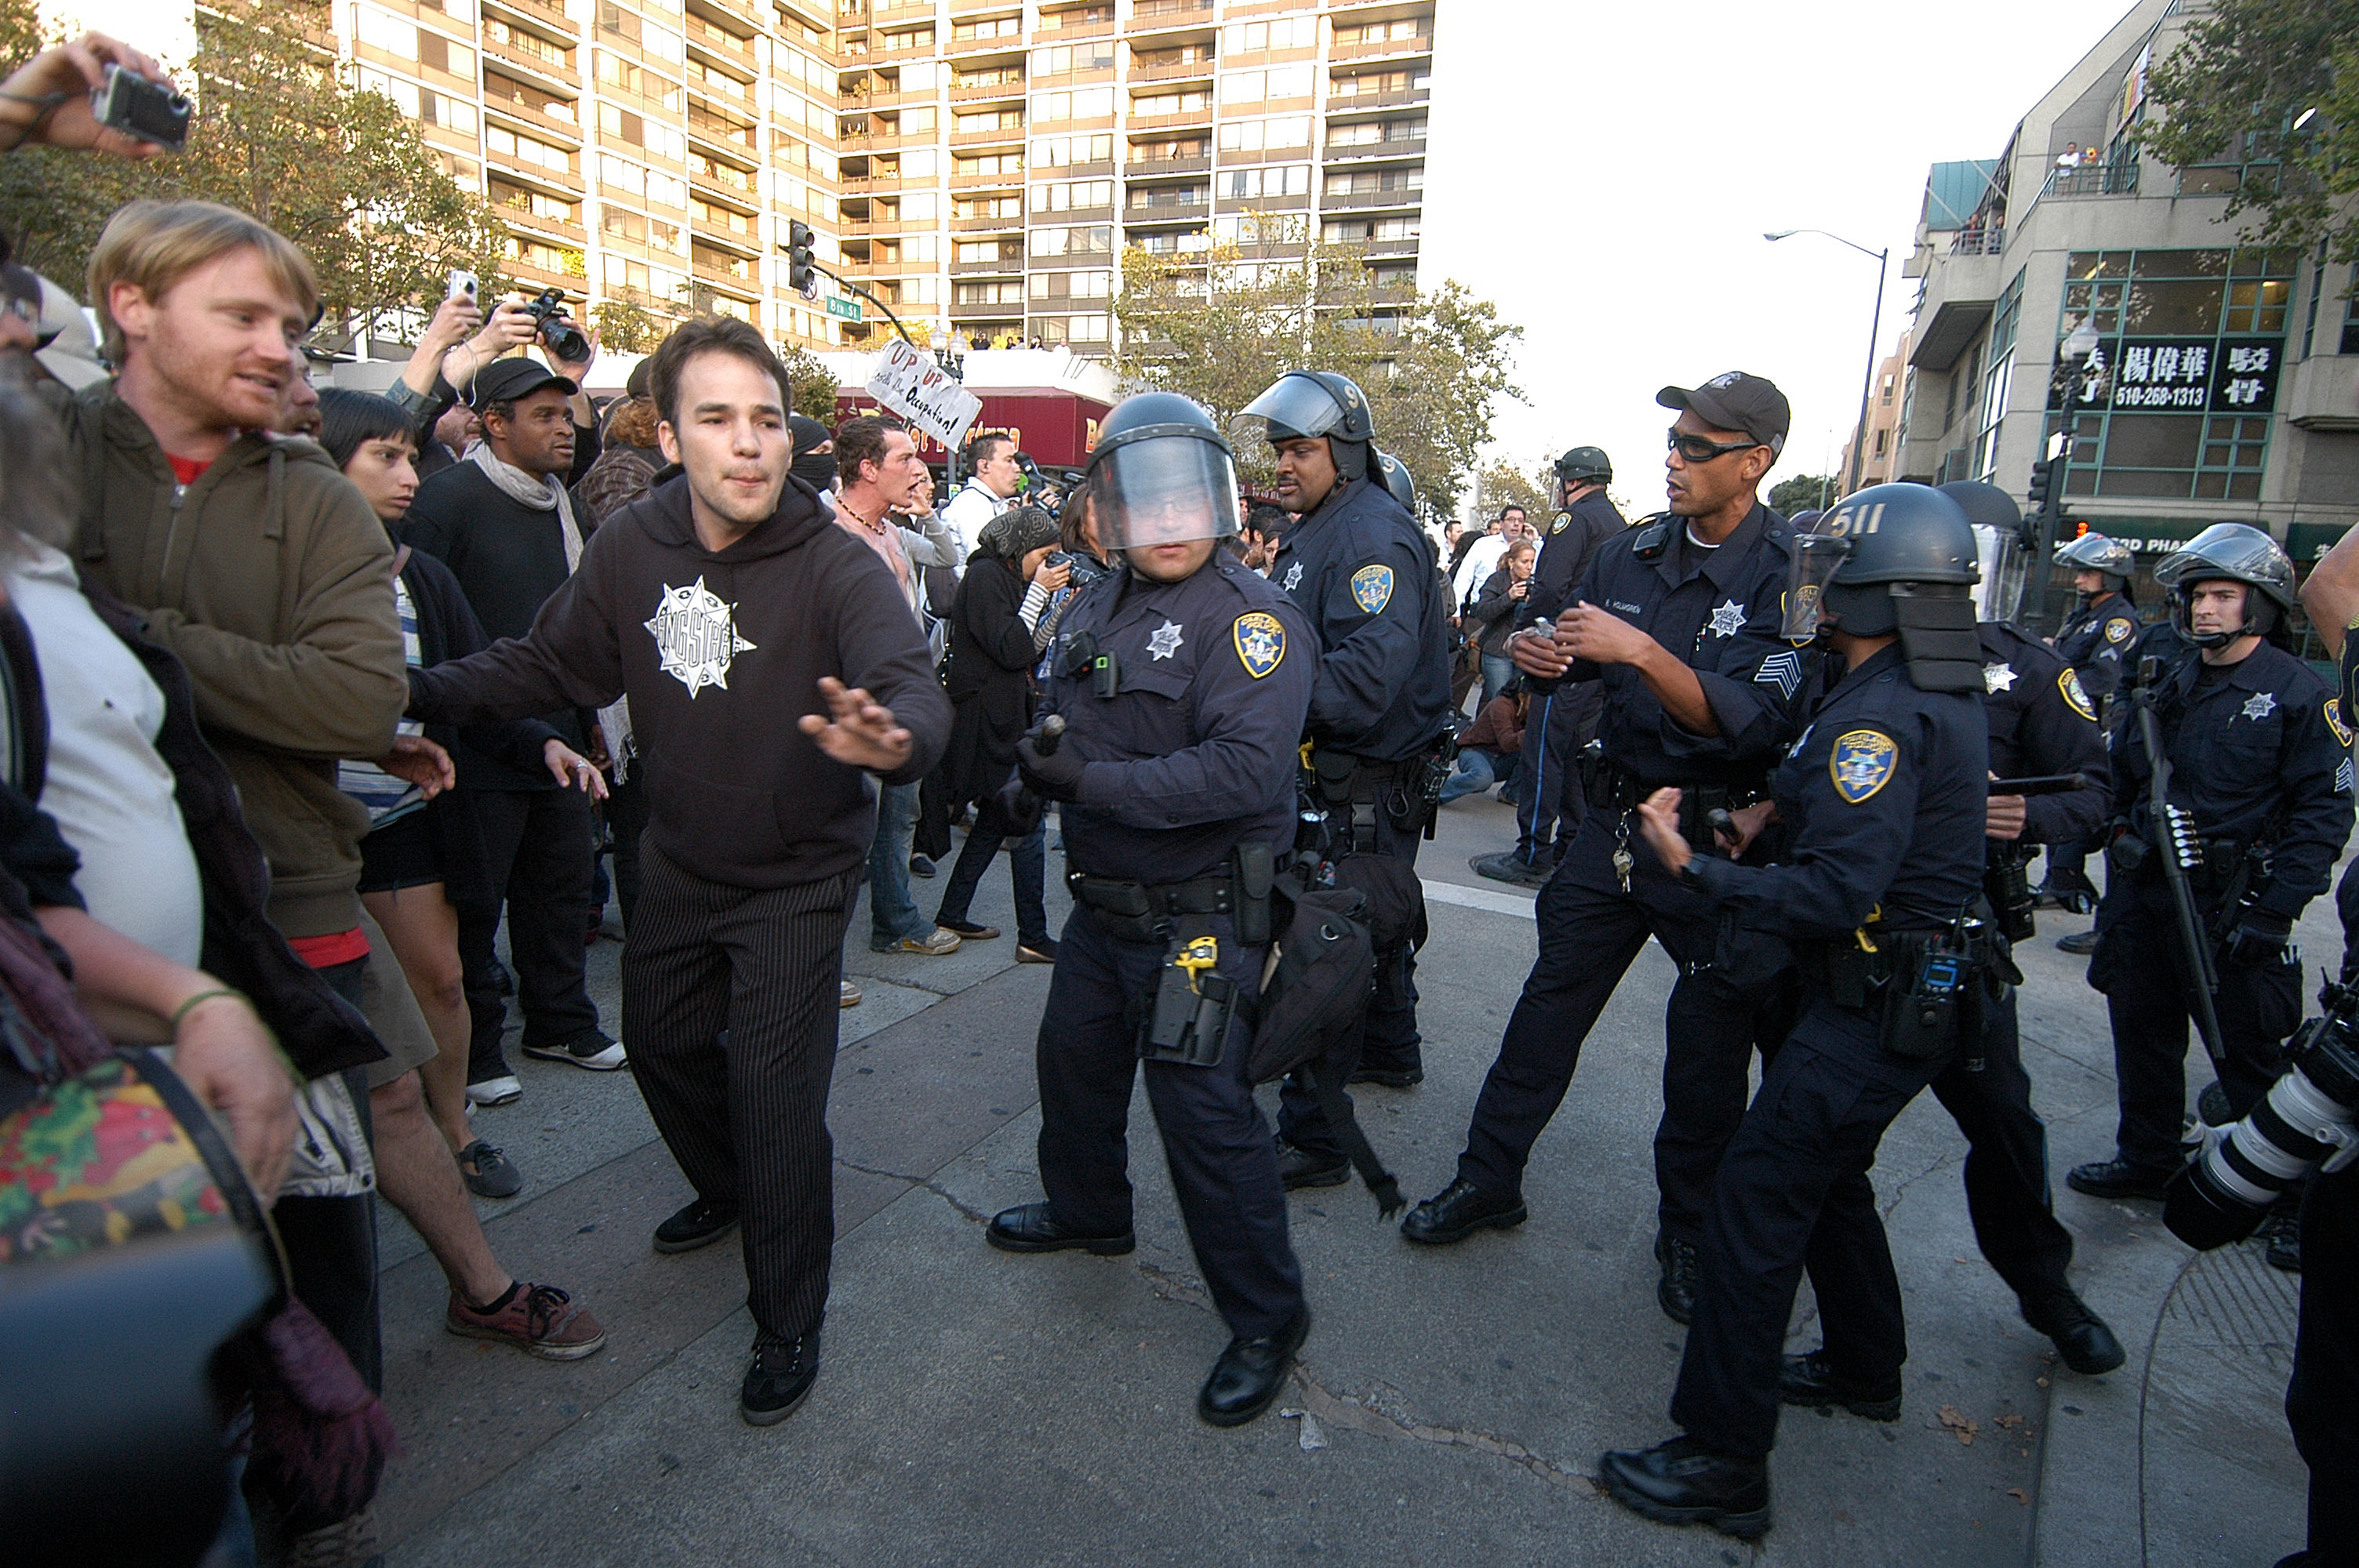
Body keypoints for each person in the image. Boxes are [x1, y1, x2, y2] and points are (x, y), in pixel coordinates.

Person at [405, 315, 952, 1425]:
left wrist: (896, 738)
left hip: (800, 877)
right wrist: (415, 695)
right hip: (680, 862)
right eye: (716, 419)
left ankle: (789, 1314)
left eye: (763, 419)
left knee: (775, 1095)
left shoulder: (832, 561)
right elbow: (552, 660)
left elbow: (911, 686)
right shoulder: (631, 543)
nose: (746, 444)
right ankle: (731, 1188)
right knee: (658, 1045)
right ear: (671, 432)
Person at [1597, 483, 1993, 1541]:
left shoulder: (1882, 715)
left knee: (1757, 1197)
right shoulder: (1899, 689)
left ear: (1884, 588)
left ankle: (1726, 1463)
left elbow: (1835, 893)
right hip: (1896, 991)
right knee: (1830, 1184)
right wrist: (1775, 807)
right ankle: (1867, 1367)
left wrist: (1691, 867)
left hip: (1878, 998)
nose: (1814, 592)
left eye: (1835, 573)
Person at [1401, 376, 1810, 1332]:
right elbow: (1580, 645)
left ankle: (1688, 1230)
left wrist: (1637, 653)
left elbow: (1753, 718)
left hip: (1710, 837)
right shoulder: (1631, 549)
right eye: (1672, 440)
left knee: (1705, 1053)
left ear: (1754, 461)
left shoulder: (1791, 573)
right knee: (1547, 1011)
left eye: (1699, 446)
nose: (1673, 458)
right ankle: (1487, 1176)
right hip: (1612, 825)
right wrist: (1550, 659)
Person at [984, 390, 1318, 1428]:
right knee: (1073, 1068)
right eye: (1147, 500)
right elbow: (1060, 719)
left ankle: (1268, 1315)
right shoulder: (1095, 602)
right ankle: (1092, 1213)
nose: (1170, 521)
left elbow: (1241, 775)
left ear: (1216, 503)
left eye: (1188, 500)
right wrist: (1025, 777)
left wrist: (1085, 785)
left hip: (1204, 917)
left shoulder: (1252, 621)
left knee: (1202, 1115)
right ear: (1109, 508)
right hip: (1104, 911)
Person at [319, 387, 610, 1198]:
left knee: (439, 980)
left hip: (404, 820)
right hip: (301, 833)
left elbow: (471, 684)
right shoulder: (270, 578)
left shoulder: (423, 578)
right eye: (384, 457)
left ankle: (455, 1131)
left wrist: (544, 737)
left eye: (410, 455)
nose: (408, 474)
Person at [2067, 524, 2350, 1264]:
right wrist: (2121, 834)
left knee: (2252, 1057)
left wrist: (2275, 910)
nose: (2205, 610)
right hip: (2148, 896)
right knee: (2143, 1030)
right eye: (2197, 596)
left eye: (2224, 596)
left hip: (2234, 907)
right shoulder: (2166, 679)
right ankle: (2149, 1157)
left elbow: (2322, 814)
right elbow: (2124, 776)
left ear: (2261, 605)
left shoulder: (2300, 695)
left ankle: (2290, 1196)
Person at [1234, 368, 1451, 1143]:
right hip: (1335, 779)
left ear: (1345, 449)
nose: (1283, 464)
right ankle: (1391, 1051)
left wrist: (1252, 692)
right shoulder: (1321, 524)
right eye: (1278, 450)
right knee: (1364, 923)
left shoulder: (1369, 534)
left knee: (1324, 955)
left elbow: (1360, 682)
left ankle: (1314, 1139)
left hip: (1357, 780)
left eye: (1300, 448)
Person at [403, 351, 624, 1102]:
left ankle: (559, 1021)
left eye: (567, 415)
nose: (563, 430)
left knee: (560, 889)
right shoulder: (446, 502)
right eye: (543, 416)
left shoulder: (562, 502)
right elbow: (433, 624)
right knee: (476, 904)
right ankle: (477, 1053)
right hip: (476, 739)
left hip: (559, 733)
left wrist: (592, 719)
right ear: (493, 424)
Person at [834, 414, 965, 960]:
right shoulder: (826, 528)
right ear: (867, 468)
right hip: (853, 702)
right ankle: (817, 957)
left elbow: (947, 557)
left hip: (903, 697)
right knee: (844, 832)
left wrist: (928, 515)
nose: (918, 468)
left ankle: (895, 922)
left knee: (898, 818)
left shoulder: (894, 532)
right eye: (905, 459)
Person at [1474, 446, 1625, 886]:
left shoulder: (1574, 521)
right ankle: (1570, 845)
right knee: (1577, 758)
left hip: (1558, 654)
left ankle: (1533, 852)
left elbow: (1548, 586)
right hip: (1595, 659)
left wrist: (1525, 634)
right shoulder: (1616, 523)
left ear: (1573, 481)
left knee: (1542, 753)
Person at [932, 504, 1063, 963]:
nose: (1046, 564)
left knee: (993, 821)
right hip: (987, 721)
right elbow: (1008, 647)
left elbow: (1029, 646)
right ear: (1022, 546)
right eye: (1043, 554)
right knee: (1023, 825)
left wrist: (1054, 608)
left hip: (1004, 716)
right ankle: (1034, 935)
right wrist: (1037, 595)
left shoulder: (1011, 580)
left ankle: (952, 912)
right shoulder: (987, 576)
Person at [2041, 532, 2141, 924]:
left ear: (2110, 575)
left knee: (2077, 804)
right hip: (2063, 723)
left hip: (2090, 728)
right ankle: (2059, 881)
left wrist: (2053, 683)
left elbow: (2103, 677)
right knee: (2056, 796)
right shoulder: (2084, 614)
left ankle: (2069, 881)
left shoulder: (2118, 620)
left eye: (2088, 573)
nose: (2079, 579)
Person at [1467, 537, 1536, 710]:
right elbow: (1483, 612)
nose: (1529, 566)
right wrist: (1509, 597)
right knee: (1500, 704)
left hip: (1522, 650)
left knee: (1518, 703)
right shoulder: (1497, 580)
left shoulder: (1534, 583)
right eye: (1524, 562)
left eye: (1532, 562)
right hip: (1497, 651)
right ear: (1512, 562)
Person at [939, 430, 1022, 568]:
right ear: (984, 466)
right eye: (1009, 460)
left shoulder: (994, 503)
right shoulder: (972, 503)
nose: (1017, 468)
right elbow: (986, 563)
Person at [1439, 684, 1525, 806]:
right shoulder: (1501, 705)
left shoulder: (1530, 712)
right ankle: (1436, 794)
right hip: (1476, 752)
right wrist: (1530, 732)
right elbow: (1506, 742)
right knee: (1483, 778)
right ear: (1522, 697)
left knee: (1534, 755)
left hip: (1502, 759)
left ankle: (1510, 794)